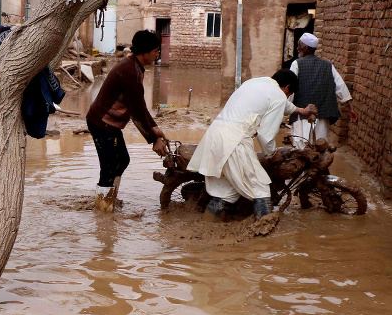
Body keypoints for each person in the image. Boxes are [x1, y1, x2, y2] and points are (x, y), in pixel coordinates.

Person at [187, 70, 317, 221]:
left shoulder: (254, 83)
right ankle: (263, 236)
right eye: (289, 94)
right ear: (287, 88)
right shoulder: (279, 96)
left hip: (214, 135)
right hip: (235, 141)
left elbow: (280, 103)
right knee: (261, 189)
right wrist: (273, 154)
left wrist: (301, 110)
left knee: (225, 192)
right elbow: (265, 136)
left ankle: (206, 229)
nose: (286, 97)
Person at [85, 30, 168, 212]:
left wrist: (154, 127)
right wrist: (154, 139)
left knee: (122, 160)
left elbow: (140, 105)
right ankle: (103, 212)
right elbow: (137, 112)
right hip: (102, 123)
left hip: (109, 125)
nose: (157, 55)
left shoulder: (135, 67)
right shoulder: (130, 71)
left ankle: (109, 199)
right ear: (145, 52)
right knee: (109, 167)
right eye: (156, 51)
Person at [289, 32, 358, 146]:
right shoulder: (328, 65)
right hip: (322, 116)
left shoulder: (296, 64)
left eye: (298, 45)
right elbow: (341, 86)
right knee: (320, 147)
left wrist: (287, 107)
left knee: (300, 149)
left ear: (305, 48)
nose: (297, 48)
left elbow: (290, 87)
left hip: (302, 116)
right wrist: (351, 108)